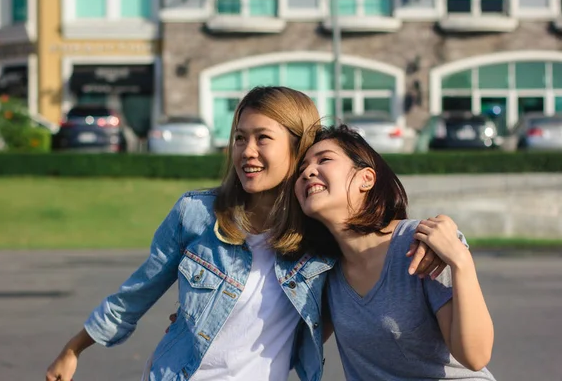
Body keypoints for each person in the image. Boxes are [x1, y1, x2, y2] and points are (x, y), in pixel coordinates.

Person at [45, 87, 444, 381]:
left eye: (262, 138)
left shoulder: (318, 239)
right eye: (240, 137)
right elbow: (137, 292)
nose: (247, 151)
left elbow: (373, 238)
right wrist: (73, 348)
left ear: (297, 147)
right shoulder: (197, 214)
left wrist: (443, 234)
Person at [295, 125, 496, 380]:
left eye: (324, 160)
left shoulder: (424, 243)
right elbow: (290, 349)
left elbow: (475, 356)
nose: (308, 172)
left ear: (366, 178)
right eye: (301, 170)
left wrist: (460, 261)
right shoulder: (321, 271)